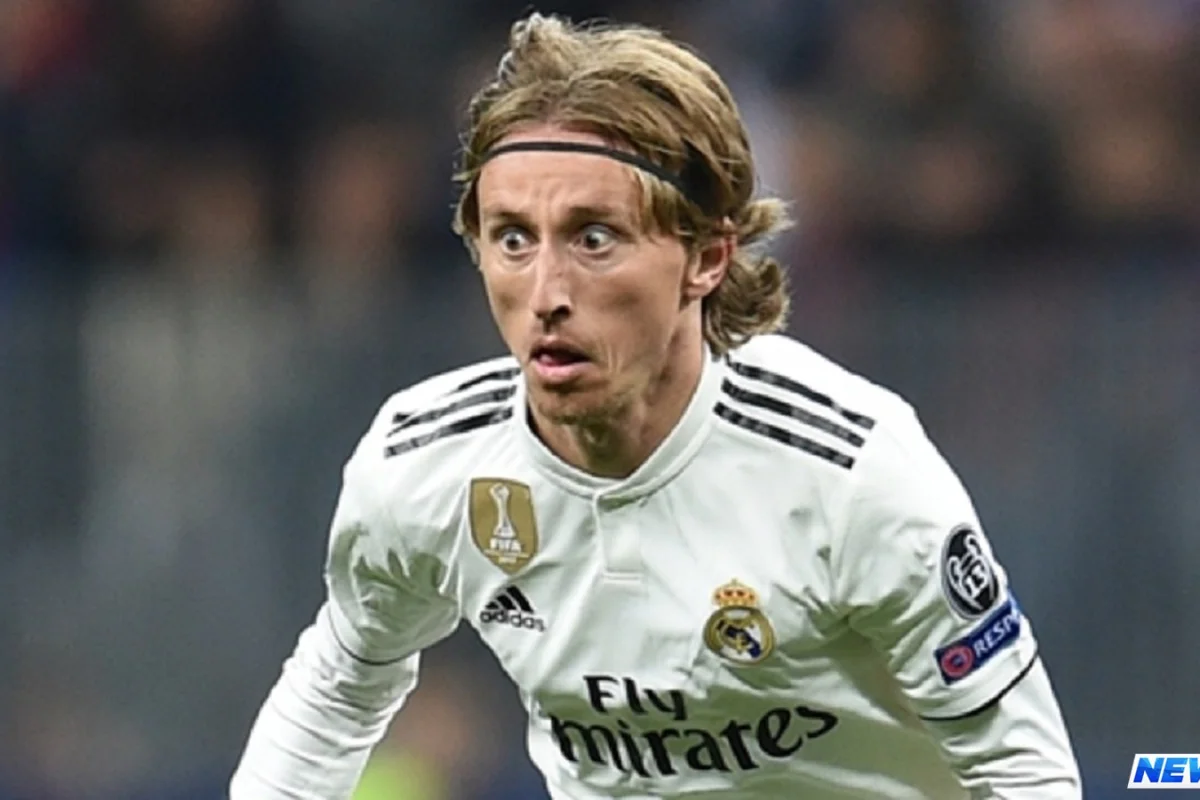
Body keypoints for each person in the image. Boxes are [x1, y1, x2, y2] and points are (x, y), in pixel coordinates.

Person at [230, 13, 1081, 799]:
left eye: (594, 237)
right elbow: (337, 687)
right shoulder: (423, 464)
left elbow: (1024, 769)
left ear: (707, 257)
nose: (547, 292)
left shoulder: (848, 470)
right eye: (513, 238)